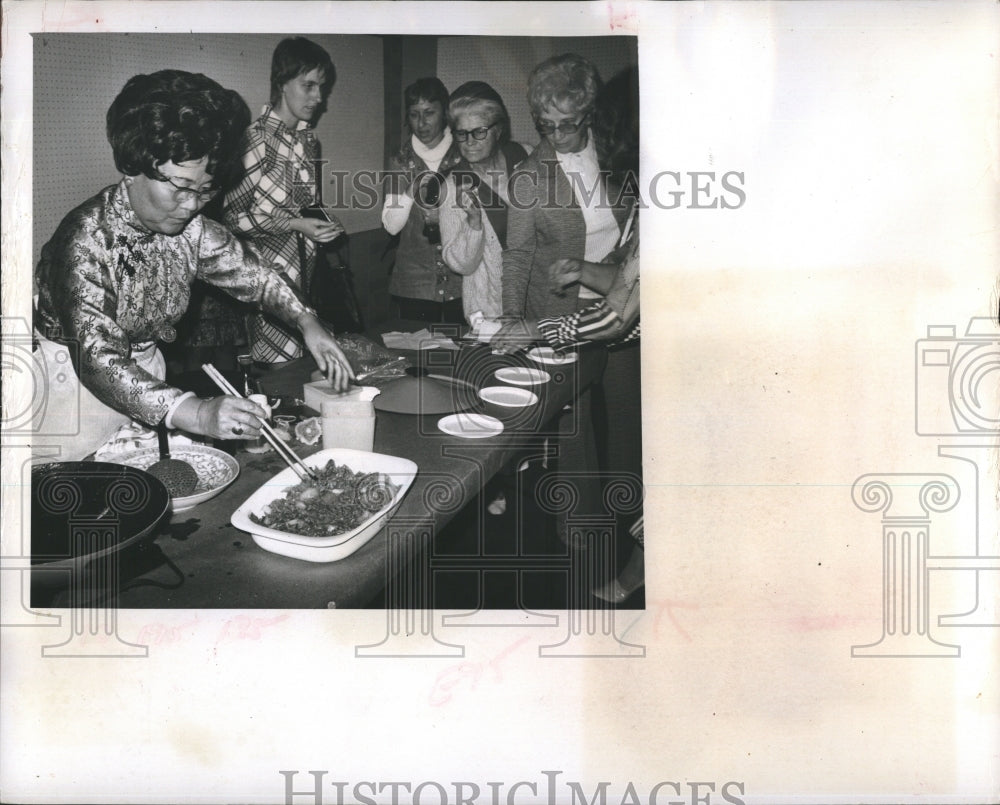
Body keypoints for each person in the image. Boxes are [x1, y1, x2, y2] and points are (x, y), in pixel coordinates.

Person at [32, 69, 354, 463]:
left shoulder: (192, 229)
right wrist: (199, 412)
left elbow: (254, 273)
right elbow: (97, 356)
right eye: (180, 187)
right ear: (132, 168)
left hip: (148, 375)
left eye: (205, 191)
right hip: (74, 386)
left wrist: (307, 321)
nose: (191, 206)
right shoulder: (83, 240)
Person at [492, 53, 631, 350]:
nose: (556, 136)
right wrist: (512, 321)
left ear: (590, 114)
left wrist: (616, 262)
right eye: (546, 125)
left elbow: (636, 227)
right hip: (560, 310)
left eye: (568, 124)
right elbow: (517, 256)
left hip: (624, 298)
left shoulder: (615, 151)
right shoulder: (529, 177)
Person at [224, 37, 345, 364]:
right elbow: (231, 220)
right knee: (281, 375)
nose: (318, 98)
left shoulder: (308, 141)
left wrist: (323, 223)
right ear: (281, 83)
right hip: (269, 284)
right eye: (308, 86)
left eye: (321, 87)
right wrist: (294, 224)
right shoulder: (256, 139)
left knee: (311, 371)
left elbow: (304, 206)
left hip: (309, 278)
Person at [438, 81, 528, 322]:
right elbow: (461, 265)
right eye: (461, 133)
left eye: (479, 131)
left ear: (498, 129)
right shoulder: (453, 185)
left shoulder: (526, 158)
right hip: (491, 309)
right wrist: (473, 223)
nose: (469, 141)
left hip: (540, 302)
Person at [382, 77, 464, 324]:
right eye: (414, 114)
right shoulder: (400, 161)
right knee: (418, 355)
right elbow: (391, 226)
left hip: (462, 278)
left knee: (461, 355)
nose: (421, 123)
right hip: (415, 283)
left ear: (445, 113)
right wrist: (410, 192)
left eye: (429, 113)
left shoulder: (464, 155)